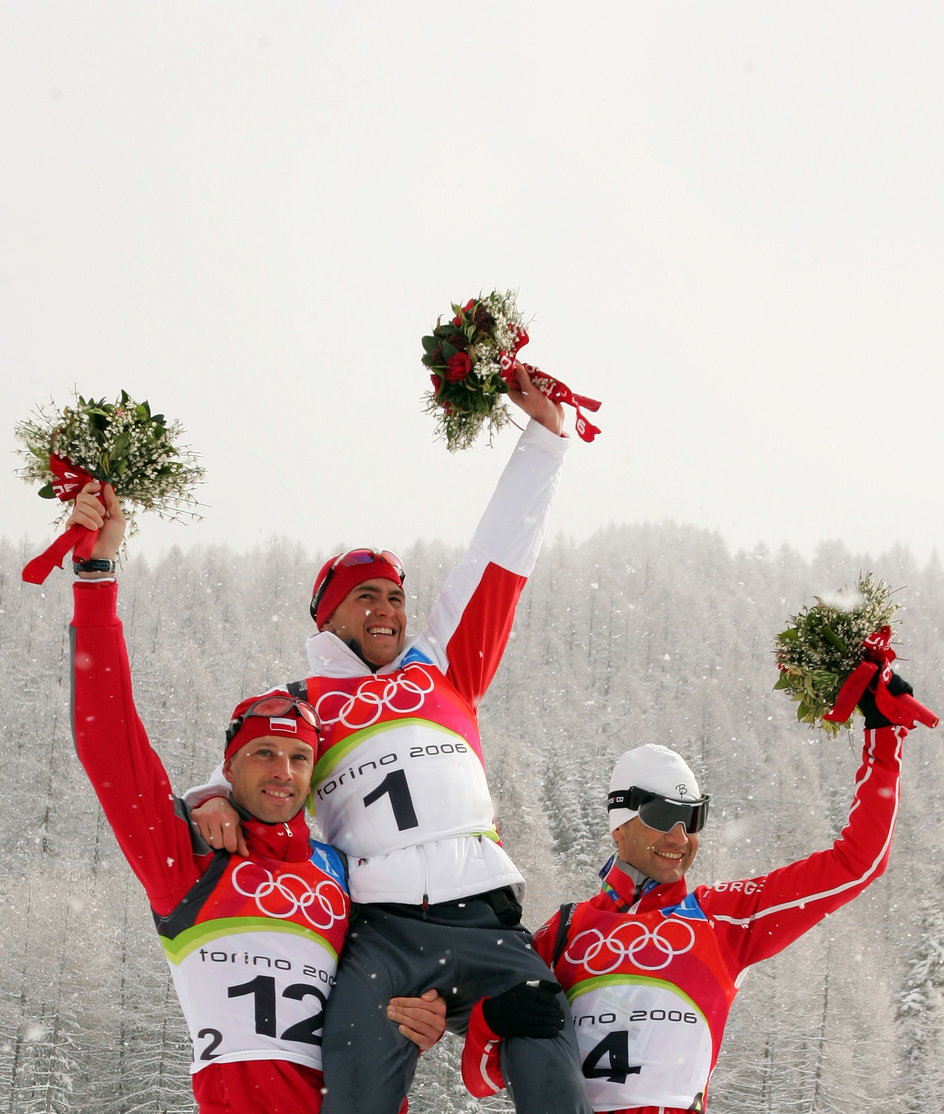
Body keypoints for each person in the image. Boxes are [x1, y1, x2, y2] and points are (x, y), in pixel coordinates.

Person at [188, 365, 594, 1114]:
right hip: (384, 933)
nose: (387, 611)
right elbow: (249, 771)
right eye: (365, 598)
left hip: (484, 917)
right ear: (329, 618)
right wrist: (208, 797)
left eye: (397, 598)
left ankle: (498, 1030)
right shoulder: (305, 703)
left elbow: (497, 559)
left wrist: (545, 440)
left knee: (551, 1066)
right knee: (351, 1083)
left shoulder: (444, 667)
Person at [66, 482, 446, 1114]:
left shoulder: (345, 869)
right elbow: (108, 739)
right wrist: (95, 575)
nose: (284, 771)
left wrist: (425, 1013)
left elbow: (413, 968)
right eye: (264, 753)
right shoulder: (190, 860)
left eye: (300, 758)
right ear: (229, 768)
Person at [460, 674, 933, 1113]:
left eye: (694, 819)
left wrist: (883, 734)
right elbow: (483, 1078)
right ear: (619, 824)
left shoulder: (721, 919)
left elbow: (858, 862)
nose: (680, 838)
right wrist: (491, 1021)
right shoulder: (564, 932)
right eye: (664, 816)